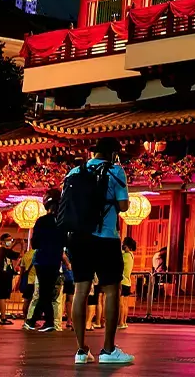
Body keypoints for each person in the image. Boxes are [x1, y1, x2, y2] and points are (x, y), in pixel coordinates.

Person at [63, 136, 132, 364]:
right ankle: (108, 349)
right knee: (112, 291)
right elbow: (123, 206)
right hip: (105, 238)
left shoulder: (73, 173)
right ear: (113, 154)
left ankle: (81, 351)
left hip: (78, 239)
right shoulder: (115, 171)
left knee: (80, 291)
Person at [24, 191, 65, 332]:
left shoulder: (41, 221)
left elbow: (34, 243)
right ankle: (40, 321)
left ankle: (38, 321)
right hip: (55, 260)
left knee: (44, 291)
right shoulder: (62, 222)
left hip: (42, 260)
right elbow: (65, 241)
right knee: (46, 291)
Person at [0, 234, 19, 325]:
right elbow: (17, 255)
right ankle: (3, 318)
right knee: (2, 297)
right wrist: (21, 245)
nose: (10, 242)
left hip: (1, 277)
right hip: (3, 278)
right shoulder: (3, 250)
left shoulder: (3, 251)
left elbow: (11, 253)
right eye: (8, 240)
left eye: (11, 240)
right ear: (2, 241)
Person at [119, 238, 137, 329]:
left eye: (124, 245)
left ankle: (121, 322)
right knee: (125, 304)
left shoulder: (125, 256)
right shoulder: (131, 255)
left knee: (121, 304)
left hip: (122, 281)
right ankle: (124, 321)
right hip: (128, 282)